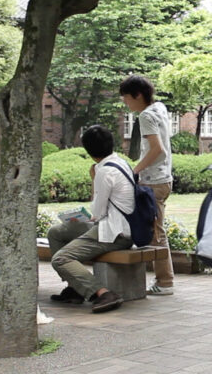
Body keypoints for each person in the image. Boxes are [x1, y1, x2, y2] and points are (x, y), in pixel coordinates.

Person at [48, 125, 134, 313]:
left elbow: (97, 211)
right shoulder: (121, 163)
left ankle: (103, 293)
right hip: (116, 226)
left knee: (61, 259)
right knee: (55, 233)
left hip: (114, 233)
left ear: (88, 150)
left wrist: (94, 179)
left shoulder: (104, 172)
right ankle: (75, 288)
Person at [119, 75, 174, 296]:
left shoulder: (146, 116)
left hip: (154, 182)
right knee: (156, 231)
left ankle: (165, 282)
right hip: (163, 179)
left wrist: (134, 170)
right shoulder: (159, 107)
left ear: (138, 95)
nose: (125, 102)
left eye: (126, 97)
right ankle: (163, 280)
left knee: (156, 234)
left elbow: (157, 149)